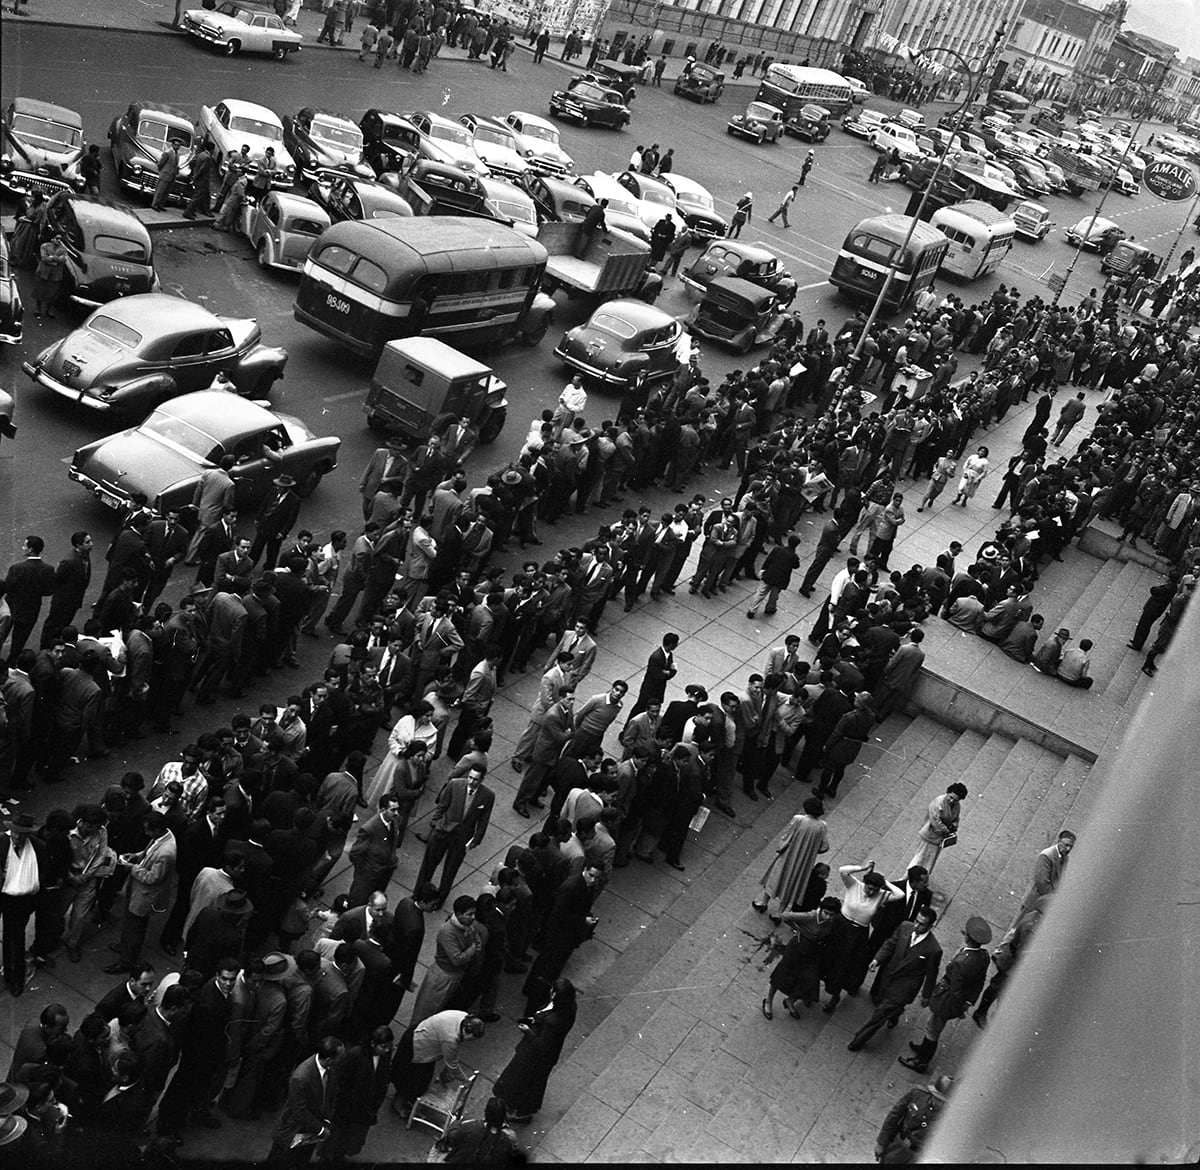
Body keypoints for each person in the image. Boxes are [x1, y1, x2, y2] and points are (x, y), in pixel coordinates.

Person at [899, 916, 992, 1073]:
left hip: (946, 1001)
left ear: (968, 938)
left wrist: (959, 1008)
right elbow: (979, 982)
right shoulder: (983, 956)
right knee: (933, 1027)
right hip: (959, 999)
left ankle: (921, 1062)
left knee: (932, 1029)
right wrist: (968, 1002)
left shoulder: (961, 962)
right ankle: (923, 1049)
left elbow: (955, 990)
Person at [847, 907, 942, 1051]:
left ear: (930, 926)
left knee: (878, 1016)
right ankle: (895, 1015)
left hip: (904, 988)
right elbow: (890, 944)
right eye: (916, 921)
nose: (916, 926)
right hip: (889, 976)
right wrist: (877, 959)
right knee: (887, 1009)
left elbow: (931, 974)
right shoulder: (905, 927)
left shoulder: (933, 949)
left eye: (922, 924)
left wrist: (926, 996)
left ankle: (858, 1040)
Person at [491, 976, 577, 1123]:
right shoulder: (568, 1008)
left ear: (555, 994)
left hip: (534, 1056)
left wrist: (528, 1031)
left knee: (521, 1081)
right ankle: (519, 1109)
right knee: (527, 1082)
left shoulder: (553, 1021)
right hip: (543, 1054)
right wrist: (535, 1021)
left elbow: (542, 1044)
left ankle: (519, 1112)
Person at [823, 861, 903, 1012]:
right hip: (840, 926)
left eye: (875, 889)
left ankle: (835, 996)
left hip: (858, 934)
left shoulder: (881, 896)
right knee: (826, 957)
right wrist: (864, 868)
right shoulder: (854, 885)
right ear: (865, 883)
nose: (871, 892)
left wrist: (884, 881)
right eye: (869, 887)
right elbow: (842, 869)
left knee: (844, 965)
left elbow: (900, 894)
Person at [389, 1011, 484, 1117]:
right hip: (417, 1046)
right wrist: (466, 1080)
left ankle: (408, 1099)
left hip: (421, 1034)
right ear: (466, 1031)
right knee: (411, 1078)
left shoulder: (463, 1016)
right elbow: (452, 1066)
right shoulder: (450, 1039)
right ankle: (399, 1103)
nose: (471, 1041)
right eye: (471, 1038)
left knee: (421, 1078)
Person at [267, 1035, 344, 1162]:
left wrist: (326, 1121)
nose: (342, 1060)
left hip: (310, 1130)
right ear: (329, 1059)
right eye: (340, 1057)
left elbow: (330, 1096)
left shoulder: (331, 1069)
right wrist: (321, 1130)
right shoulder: (301, 1077)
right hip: (294, 1131)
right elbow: (299, 1111)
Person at [763, 895, 842, 1018]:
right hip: (798, 947)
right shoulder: (811, 916)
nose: (828, 917)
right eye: (826, 913)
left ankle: (790, 1000)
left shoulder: (832, 921)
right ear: (821, 909)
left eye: (832, 915)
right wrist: (798, 929)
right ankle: (768, 1000)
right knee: (782, 974)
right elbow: (785, 916)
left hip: (813, 951)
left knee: (809, 979)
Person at [752, 796, 828, 915]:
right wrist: (811, 851)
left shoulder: (798, 819)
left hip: (788, 856)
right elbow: (825, 847)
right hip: (805, 863)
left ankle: (764, 902)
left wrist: (780, 849)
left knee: (775, 877)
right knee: (792, 884)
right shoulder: (822, 826)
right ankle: (779, 913)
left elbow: (786, 837)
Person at [1, 813, 47, 996]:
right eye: (14, 832)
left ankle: (15, 977)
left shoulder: (38, 847)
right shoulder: (1, 843)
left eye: (22, 834)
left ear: (28, 834)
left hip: (21, 901)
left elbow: (41, 875)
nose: (17, 837)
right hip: (2, 895)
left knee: (15, 938)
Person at [874, 1074, 953, 1162]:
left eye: (942, 1101)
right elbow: (894, 1115)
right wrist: (881, 1143)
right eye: (937, 1098)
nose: (939, 1103)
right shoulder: (918, 1094)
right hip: (898, 1147)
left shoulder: (950, 1116)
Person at [438, 1095, 523, 1163]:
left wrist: (455, 1123)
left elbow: (453, 1136)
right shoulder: (507, 1140)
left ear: (486, 1113)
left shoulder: (471, 1126)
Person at [909, 783, 967, 875]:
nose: (952, 801)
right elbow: (935, 821)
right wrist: (947, 830)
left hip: (940, 837)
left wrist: (954, 825)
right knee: (920, 857)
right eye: (951, 797)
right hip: (931, 834)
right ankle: (908, 876)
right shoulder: (938, 803)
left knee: (929, 860)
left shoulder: (956, 806)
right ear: (948, 792)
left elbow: (956, 818)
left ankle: (921, 877)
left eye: (955, 800)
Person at [1018, 830, 1075, 915]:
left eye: (1071, 846)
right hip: (1034, 903)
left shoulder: (1065, 858)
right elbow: (1041, 882)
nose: (1068, 849)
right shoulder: (1047, 855)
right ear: (1059, 841)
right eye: (1066, 845)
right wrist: (1053, 899)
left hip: (1045, 905)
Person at [32, 232, 70, 320]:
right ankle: (38, 309)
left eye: (60, 239)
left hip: (55, 275)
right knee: (39, 292)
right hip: (43, 273)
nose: (58, 240)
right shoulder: (45, 246)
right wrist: (57, 260)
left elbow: (64, 260)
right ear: (52, 238)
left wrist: (52, 257)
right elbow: (44, 258)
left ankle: (48, 310)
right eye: (57, 238)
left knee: (52, 294)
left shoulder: (63, 249)